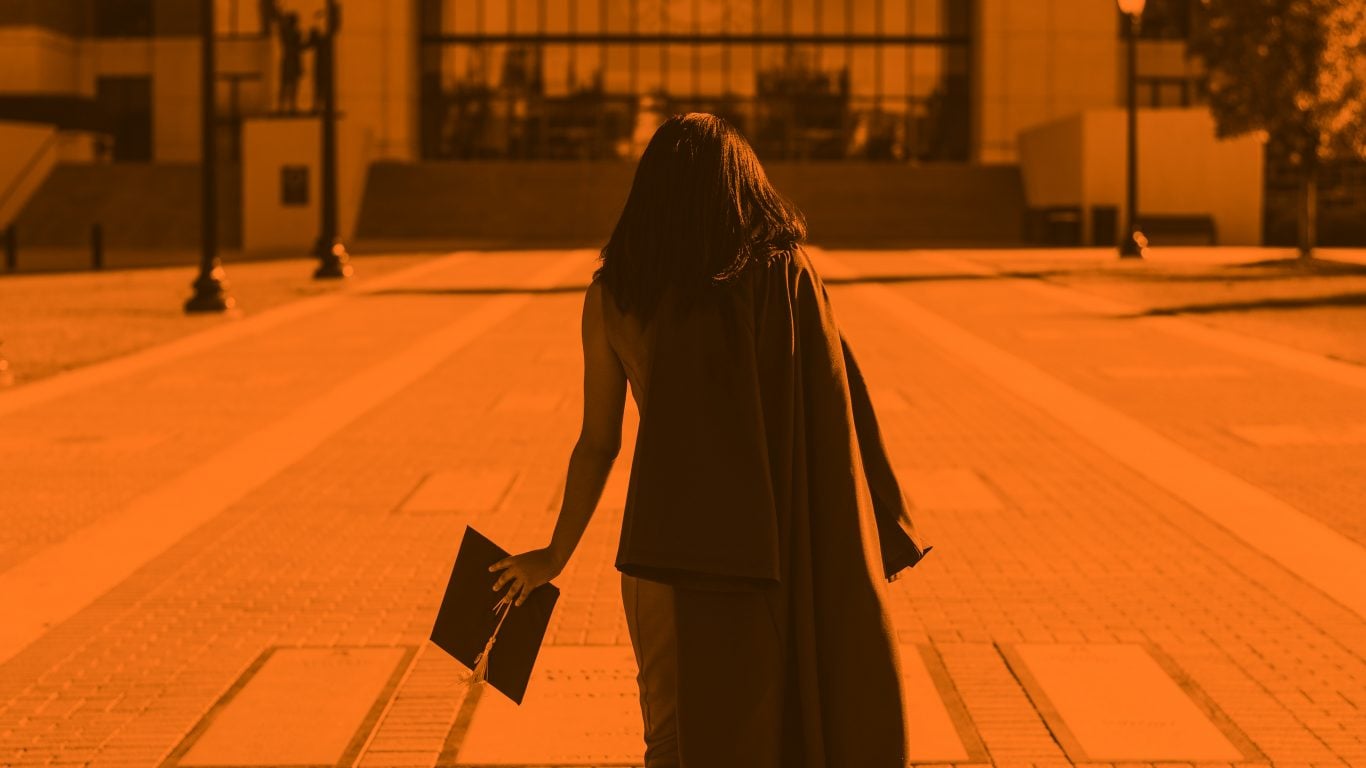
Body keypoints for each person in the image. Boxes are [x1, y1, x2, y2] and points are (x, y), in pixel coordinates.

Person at [489, 113, 934, 767]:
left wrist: (554, 554)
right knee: (768, 731)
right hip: (772, 543)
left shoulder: (615, 295)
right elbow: (834, 417)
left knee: (673, 740)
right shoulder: (785, 278)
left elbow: (599, 442)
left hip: (664, 549)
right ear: (742, 185)